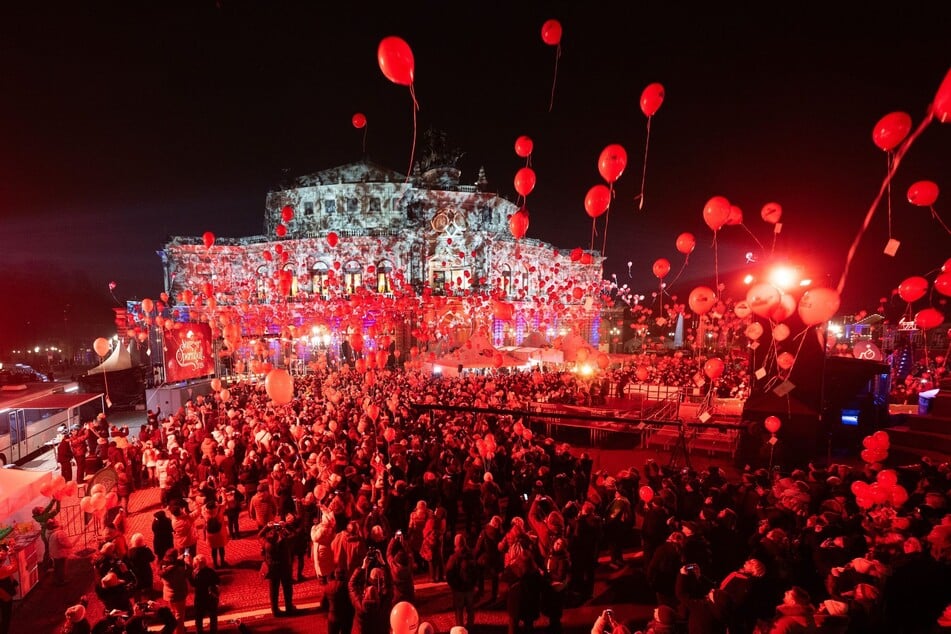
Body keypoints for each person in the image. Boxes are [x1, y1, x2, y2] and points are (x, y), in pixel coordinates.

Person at [261, 521, 296, 617]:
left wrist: (267, 526)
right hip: (285, 567)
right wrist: (286, 525)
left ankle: (275, 610)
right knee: (287, 588)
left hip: (272, 568)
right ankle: (289, 608)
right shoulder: (285, 541)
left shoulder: (266, 542)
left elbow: (259, 535)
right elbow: (294, 533)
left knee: (273, 590)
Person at [446, 533, 478, 631]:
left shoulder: (454, 557)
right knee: (470, 609)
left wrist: (453, 585)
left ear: (456, 544)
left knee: (459, 610)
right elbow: (476, 571)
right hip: (469, 588)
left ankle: (460, 629)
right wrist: (474, 584)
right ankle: (470, 626)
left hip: (458, 589)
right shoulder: (471, 555)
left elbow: (449, 573)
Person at [158, 549, 190, 634]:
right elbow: (189, 571)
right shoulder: (178, 570)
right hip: (178, 595)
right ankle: (179, 631)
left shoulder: (163, 568)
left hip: (168, 594)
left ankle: (176, 630)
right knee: (179, 615)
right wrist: (186, 560)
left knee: (173, 612)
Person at [188, 554, 220, 634]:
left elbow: (193, 584)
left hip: (200, 598)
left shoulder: (196, 574)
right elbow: (218, 581)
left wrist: (189, 575)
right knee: (213, 617)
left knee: (198, 618)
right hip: (211, 597)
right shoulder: (211, 571)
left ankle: (199, 632)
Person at [126, 533, 156, 602]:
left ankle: (137, 603)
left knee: (137, 589)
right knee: (148, 587)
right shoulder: (145, 550)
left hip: (136, 573)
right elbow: (152, 558)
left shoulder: (130, 552)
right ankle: (150, 603)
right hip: (146, 572)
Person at [47, 519, 74, 586]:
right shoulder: (60, 533)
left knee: (57, 566)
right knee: (61, 567)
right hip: (60, 553)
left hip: (54, 553)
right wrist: (70, 545)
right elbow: (64, 542)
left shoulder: (50, 533)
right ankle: (61, 580)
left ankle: (56, 579)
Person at [0, 548, 17, 634]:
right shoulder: (3, 570)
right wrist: (12, 555)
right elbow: (14, 567)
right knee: (6, 615)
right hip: (4, 595)